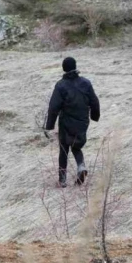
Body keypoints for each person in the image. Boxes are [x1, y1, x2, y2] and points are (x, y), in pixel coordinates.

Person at [44, 57, 100, 187]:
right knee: (76, 145)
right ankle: (81, 166)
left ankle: (62, 180)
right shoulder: (86, 83)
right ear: (75, 67)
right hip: (82, 120)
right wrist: (94, 116)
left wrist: (50, 125)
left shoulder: (60, 85)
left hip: (66, 121)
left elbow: (53, 107)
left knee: (64, 148)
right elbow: (94, 101)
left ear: (64, 68)